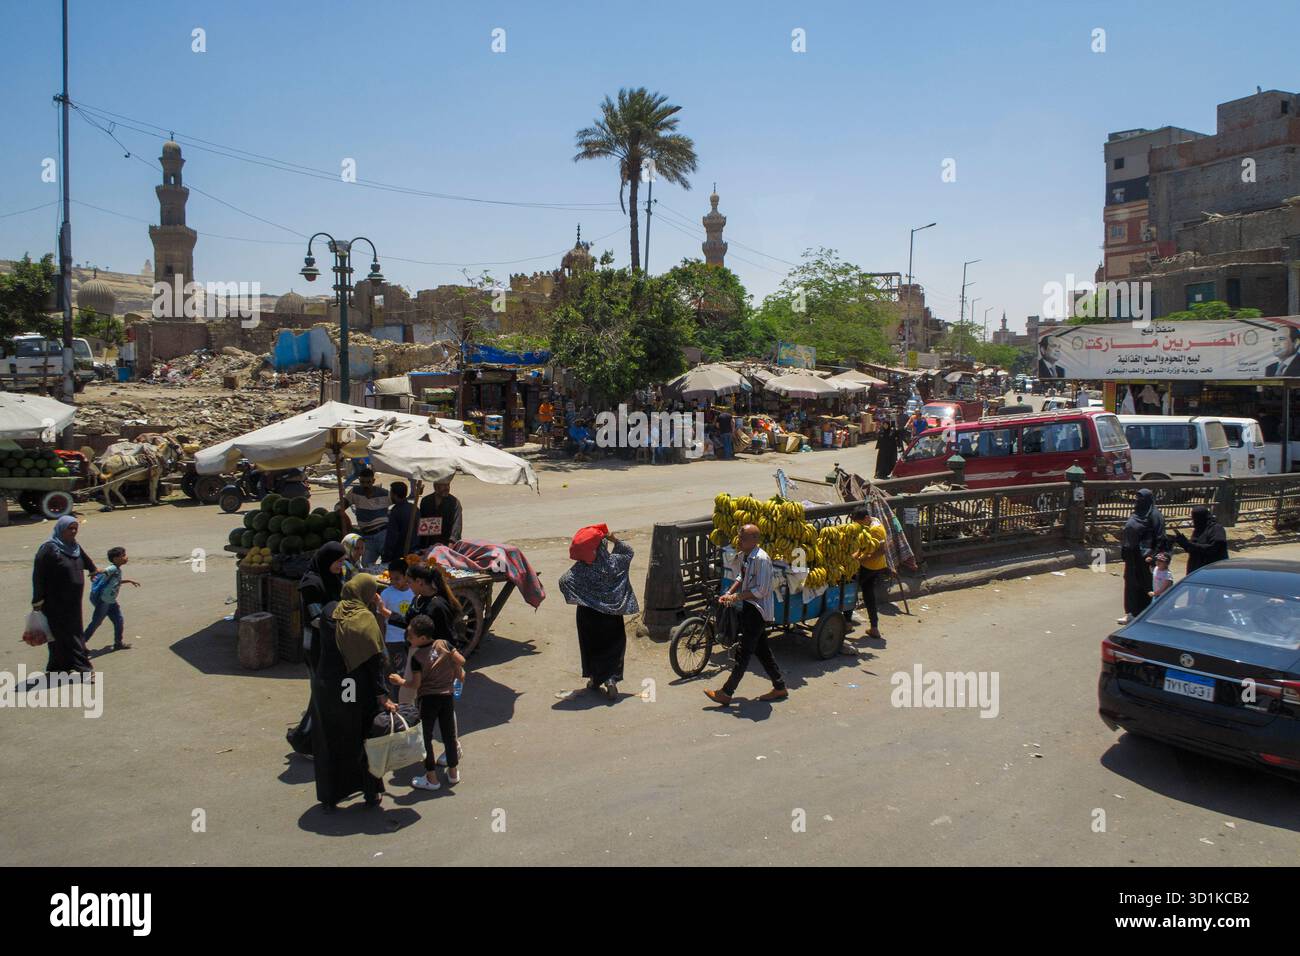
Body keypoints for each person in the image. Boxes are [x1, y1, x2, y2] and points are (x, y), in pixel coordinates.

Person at [308, 574, 397, 811]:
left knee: (331, 741)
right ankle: (370, 792)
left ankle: (330, 796)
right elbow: (375, 662)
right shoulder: (365, 620)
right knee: (364, 741)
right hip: (357, 693)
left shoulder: (329, 612)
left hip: (328, 689)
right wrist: (383, 695)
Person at [705, 524, 787, 705]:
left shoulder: (762, 559)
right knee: (762, 650)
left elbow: (763, 590)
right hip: (749, 606)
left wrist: (737, 596)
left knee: (744, 653)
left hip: (758, 610)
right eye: (739, 537)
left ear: (754, 540)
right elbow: (741, 577)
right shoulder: (746, 556)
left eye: (743, 538)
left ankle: (726, 692)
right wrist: (729, 592)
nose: (739, 540)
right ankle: (780, 686)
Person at [558, 529, 638, 700]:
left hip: (588, 615)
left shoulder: (581, 569)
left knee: (591, 646)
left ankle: (595, 680)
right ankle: (610, 680)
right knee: (613, 645)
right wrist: (614, 538)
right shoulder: (613, 562)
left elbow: (563, 581)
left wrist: (583, 597)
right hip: (612, 616)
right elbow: (629, 551)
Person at [390, 614, 465, 790]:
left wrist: (400, 681)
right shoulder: (444, 644)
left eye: (411, 636)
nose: (408, 639)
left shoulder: (417, 658)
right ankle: (453, 773)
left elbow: (416, 685)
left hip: (428, 700)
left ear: (422, 638)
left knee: (425, 738)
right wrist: (456, 671)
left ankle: (432, 779)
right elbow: (461, 660)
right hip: (446, 697)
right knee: (449, 736)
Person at [31, 516, 97, 679]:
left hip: (73, 600)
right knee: (70, 634)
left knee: (60, 634)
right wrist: (37, 599)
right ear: (61, 529)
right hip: (55, 601)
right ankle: (84, 669)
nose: (73, 531)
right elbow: (38, 576)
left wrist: (93, 570)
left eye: (76, 528)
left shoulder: (73, 546)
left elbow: (85, 560)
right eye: (70, 528)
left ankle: (57, 668)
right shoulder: (49, 548)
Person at [1118, 489, 1167, 625]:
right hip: (1131, 554)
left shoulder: (1155, 515)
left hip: (1146, 557)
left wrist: (1153, 555)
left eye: (1141, 499)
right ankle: (1131, 613)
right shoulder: (1136, 513)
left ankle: (1146, 614)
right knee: (1130, 582)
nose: (1138, 501)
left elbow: (1160, 538)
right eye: (1137, 498)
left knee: (1146, 584)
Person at [84, 546, 140, 650]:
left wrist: (129, 581)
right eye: (123, 556)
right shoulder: (113, 568)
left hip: (111, 602)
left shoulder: (117, 570)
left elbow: (115, 582)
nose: (126, 557)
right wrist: (95, 572)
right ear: (115, 559)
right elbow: (105, 571)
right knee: (96, 622)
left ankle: (118, 643)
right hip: (104, 602)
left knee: (119, 620)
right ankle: (80, 644)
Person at [847, 506, 887, 639]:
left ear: (865, 518)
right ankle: (874, 627)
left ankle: (847, 622)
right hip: (873, 566)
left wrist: (861, 557)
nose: (857, 525)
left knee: (850, 590)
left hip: (870, 567)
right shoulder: (873, 521)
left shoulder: (875, 529)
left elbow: (881, 550)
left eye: (858, 522)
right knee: (868, 594)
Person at [340, 467, 389, 568]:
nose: (365, 485)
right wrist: (344, 517)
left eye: (368, 482)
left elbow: (399, 500)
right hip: (367, 538)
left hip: (383, 535)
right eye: (362, 482)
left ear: (373, 481)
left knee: (387, 564)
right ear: (359, 481)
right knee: (366, 566)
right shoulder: (354, 492)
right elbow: (339, 508)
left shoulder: (384, 493)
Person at [380, 560, 415, 697]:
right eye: (391, 578)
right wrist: (382, 640)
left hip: (409, 640)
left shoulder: (413, 592)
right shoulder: (386, 594)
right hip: (392, 640)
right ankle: (394, 702)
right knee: (394, 674)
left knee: (406, 672)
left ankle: (403, 701)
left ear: (406, 576)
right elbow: (381, 618)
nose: (393, 581)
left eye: (397, 578)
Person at [1173, 505, 1229, 574]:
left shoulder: (1216, 529)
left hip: (1212, 571)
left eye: (1195, 518)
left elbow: (1212, 549)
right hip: (1195, 571)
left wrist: (1190, 544)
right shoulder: (1199, 529)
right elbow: (1192, 549)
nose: (1194, 521)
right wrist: (1183, 542)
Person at [417, 479, 463, 550]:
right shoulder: (426, 501)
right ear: (435, 486)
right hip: (428, 545)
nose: (447, 488)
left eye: (448, 485)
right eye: (444, 485)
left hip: (446, 545)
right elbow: (422, 523)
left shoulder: (454, 503)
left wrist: (451, 544)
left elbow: (457, 526)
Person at [382, 482, 415, 564]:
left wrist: (386, 557)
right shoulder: (415, 509)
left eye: (391, 493)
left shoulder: (395, 511)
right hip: (414, 552)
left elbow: (391, 538)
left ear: (395, 495)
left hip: (398, 555)